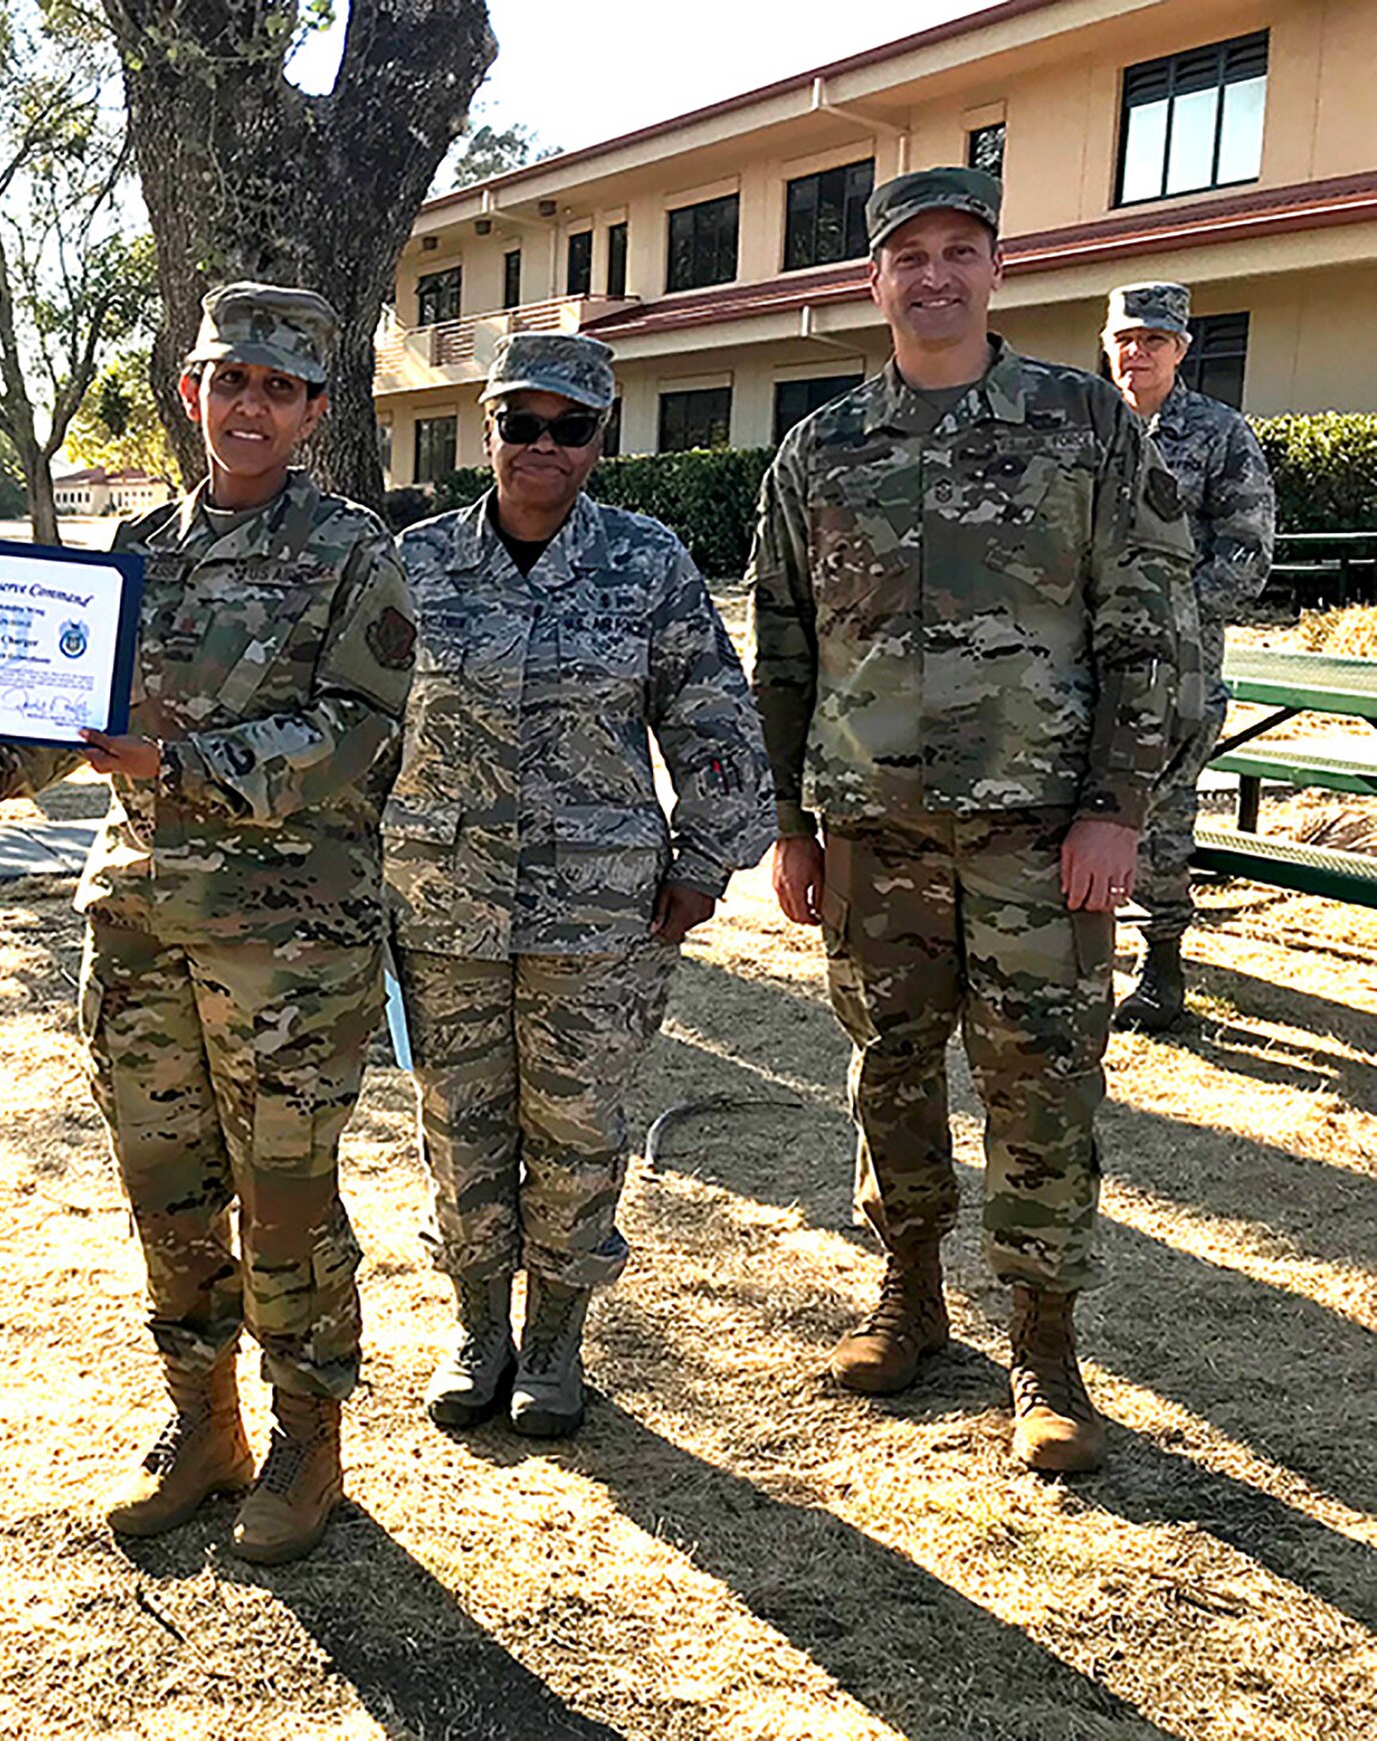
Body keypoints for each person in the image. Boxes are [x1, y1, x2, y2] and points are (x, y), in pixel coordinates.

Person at [0, 284, 414, 1565]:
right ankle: (202, 1426)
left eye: (278, 386)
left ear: (313, 409)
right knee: (167, 1191)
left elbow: (358, 730)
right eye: (226, 379)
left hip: (288, 943)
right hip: (139, 925)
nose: (248, 405)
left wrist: (177, 766)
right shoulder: (133, 549)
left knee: (287, 1198)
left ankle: (307, 1439)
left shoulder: (355, 552)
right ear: (190, 392)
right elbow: (58, 714)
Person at [749, 167, 1193, 1474]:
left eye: (960, 250)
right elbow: (783, 649)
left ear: (997, 267)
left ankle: (1045, 1357)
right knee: (890, 1077)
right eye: (909, 255)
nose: (934, 275)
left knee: (1044, 1092)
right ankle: (910, 1300)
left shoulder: (1082, 425)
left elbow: (1149, 625)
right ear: (874, 281)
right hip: (873, 841)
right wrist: (792, 820)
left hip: (1041, 839)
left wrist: (1119, 808)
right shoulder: (819, 450)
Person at [384, 332, 773, 1440]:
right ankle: (476, 1327)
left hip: (597, 910)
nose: (540, 446)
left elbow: (710, 722)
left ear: (600, 439)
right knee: (459, 1125)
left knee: (575, 1126)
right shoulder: (415, 564)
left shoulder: (647, 563)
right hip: (443, 903)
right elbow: (363, 729)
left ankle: (555, 1336)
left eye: (569, 427)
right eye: (519, 422)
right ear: (487, 428)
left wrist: (703, 863)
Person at [1101, 281, 1278, 1031]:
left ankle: (1161, 963)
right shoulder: (1087, 427)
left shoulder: (1219, 432)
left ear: (1181, 348)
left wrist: (1169, 612)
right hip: (1087, 661)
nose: (1138, 352)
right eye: (1126, 340)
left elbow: (1249, 552)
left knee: (1161, 813)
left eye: (1154, 340)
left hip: (1180, 666)